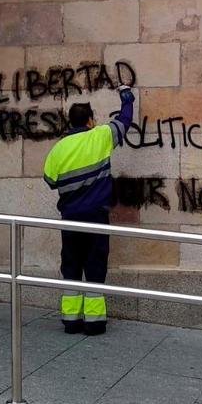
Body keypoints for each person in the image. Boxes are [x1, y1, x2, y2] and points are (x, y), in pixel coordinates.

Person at [42, 86, 134, 336]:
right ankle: (94, 322)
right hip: (96, 217)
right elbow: (125, 120)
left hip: (70, 218)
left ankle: (71, 320)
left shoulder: (59, 149)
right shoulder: (101, 136)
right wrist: (127, 96)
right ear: (91, 120)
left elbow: (49, 180)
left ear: (70, 122)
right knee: (95, 266)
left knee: (71, 266)